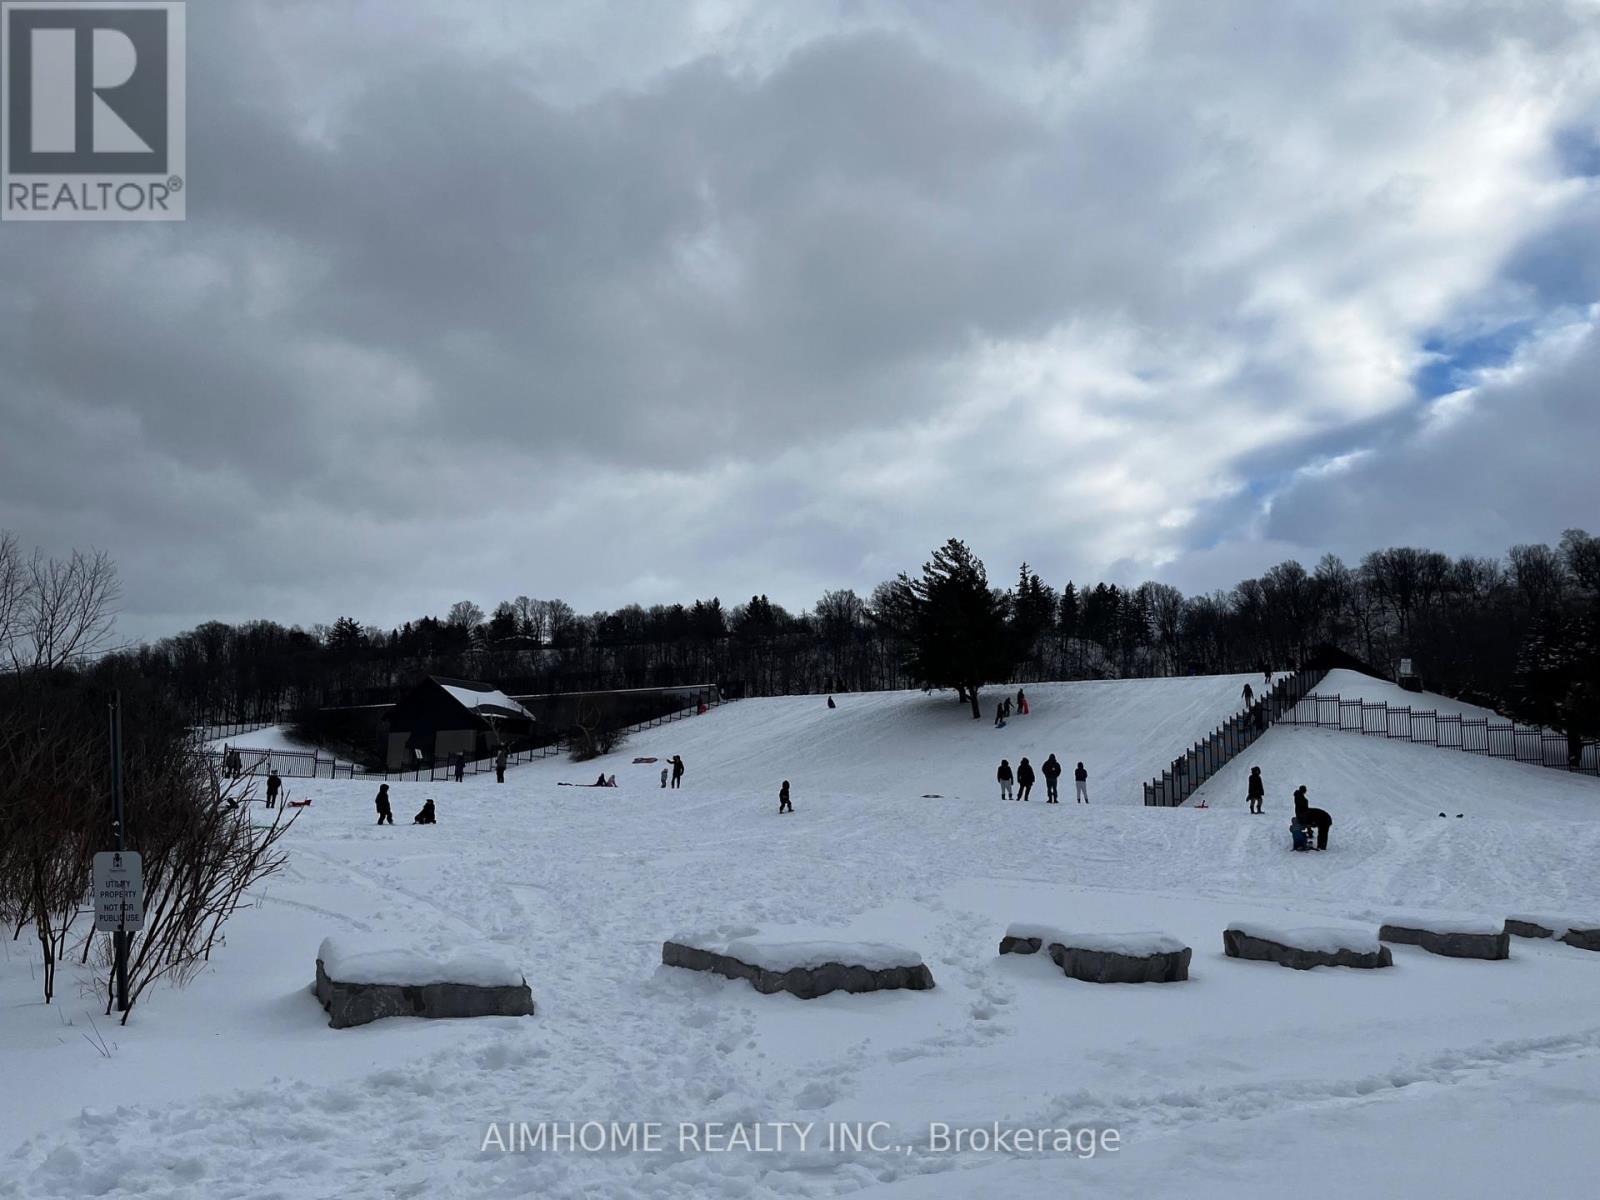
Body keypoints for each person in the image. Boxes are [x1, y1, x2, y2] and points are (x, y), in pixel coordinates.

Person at [1293, 785, 1332, 851]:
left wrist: (1309, 829)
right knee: (1323, 833)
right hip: (1322, 818)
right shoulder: (1302, 800)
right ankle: (1321, 846)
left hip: (1323, 818)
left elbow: (1307, 819)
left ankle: (1321, 846)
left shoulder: (1298, 797)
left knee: (1322, 832)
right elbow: (1307, 818)